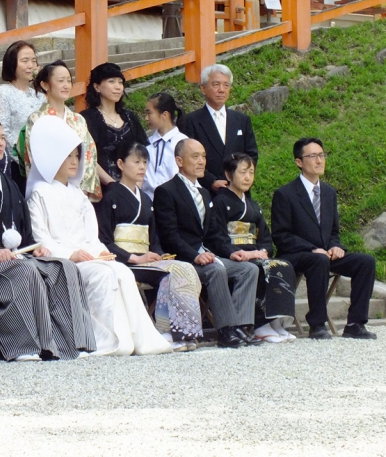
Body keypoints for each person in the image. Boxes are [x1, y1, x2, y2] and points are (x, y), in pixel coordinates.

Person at [0, 115, 96, 361]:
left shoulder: (9, 184)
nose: (0, 143)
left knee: (64, 267)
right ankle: (24, 345)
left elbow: (25, 230)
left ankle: (70, 343)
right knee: (25, 271)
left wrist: (34, 248)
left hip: (19, 256)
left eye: (2, 138)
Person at [26, 115, 171, 357]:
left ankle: (138, 339)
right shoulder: (39, 193)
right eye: (68, 156)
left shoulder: (79, 195)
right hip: (61, 261)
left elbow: (92, 237)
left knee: (121, 271)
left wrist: (98, 251)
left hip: (87, 256)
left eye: (76, 156)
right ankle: (106, 341)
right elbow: (41, 238)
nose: (74, 161)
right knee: (103, 275)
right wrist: (71, 254)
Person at [95, 142, 203, 351]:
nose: (142, 167)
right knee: (171, 273)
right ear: (120, 164)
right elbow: (104, 240)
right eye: (136, 162)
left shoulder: (145, 199)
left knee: (185, 267)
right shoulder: (110, 198)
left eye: (144, 162)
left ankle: (185, 332)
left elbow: (153, 239)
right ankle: (166, 331)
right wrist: (133, 258)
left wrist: (159, 255)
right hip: (126, 261)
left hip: (146, 259)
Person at [153, 139, 259, 348]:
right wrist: (194, 255)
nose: (202, 161)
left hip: (207, 253)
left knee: (248, 269)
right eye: (195, 157)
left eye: (203, 156)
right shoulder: (166, 191)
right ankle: (226, 330)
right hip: (184, 258)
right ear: (179, 160)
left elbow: (212, 235)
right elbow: (169, 235)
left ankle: (242, 326)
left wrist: (231, 252)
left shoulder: (204, 193)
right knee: (215, 271)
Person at [271, 138, 377, 340]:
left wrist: (336, 246)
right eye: (312, 156)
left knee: (365, 262)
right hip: (296, 254)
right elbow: (281, 236)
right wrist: (312, 249)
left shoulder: (328, 193)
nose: (319, 160)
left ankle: (355, 323)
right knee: (318, 260)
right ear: (299, 162)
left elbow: (334, 231)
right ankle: (317, 324)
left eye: (321, 155)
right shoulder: (285, 194)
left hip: (325, 253)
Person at [205, 153, 297, 343]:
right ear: (228, 175)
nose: (248, 177)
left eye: (251, 172)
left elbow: (264, 235)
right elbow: (216, 235)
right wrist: (234, 252)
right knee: (257, 268)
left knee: (282, 265)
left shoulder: (253, 205)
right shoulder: (220, 202)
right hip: (234, 255)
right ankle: (259, 323)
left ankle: (276, 320)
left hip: (253, 253)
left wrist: (263, 251)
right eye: (243, 172)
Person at [22, 61, 101, 200]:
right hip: (49, 192)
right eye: (60, 81)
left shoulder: (78, 120)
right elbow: (35, 158)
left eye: (69, 81)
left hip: (78, 192)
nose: (66, 85)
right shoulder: (36, 119)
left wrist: (82, 190)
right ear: (45, 85)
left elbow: (89, 154)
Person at [180, 64, 258, 193]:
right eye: (216, 85)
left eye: (226, 85)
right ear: (203, 88)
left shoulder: (241, 120)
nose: (221, 90)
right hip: (205, 191)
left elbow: (251, 154)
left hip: (238, 190)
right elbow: (187, 157)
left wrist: (242, 177)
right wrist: (211, 181)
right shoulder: (190, 121)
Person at [80, 63, 148, 185]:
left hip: (133, 186)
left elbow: (143, 152)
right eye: (111, 82)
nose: (118, 87)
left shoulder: (130, 118)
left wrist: (137, 184)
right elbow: (87, 156)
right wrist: (113, 186)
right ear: (97, 87)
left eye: (120, 82)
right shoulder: (87, 118)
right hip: (102, 188)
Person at [0, 41, 45, 191]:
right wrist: (24, 159)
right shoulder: (3, 92)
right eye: (25, 61)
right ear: (12, 63)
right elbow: (3, 130)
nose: (31, 65)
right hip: (16, 164)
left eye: (34, 61)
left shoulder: (40, 95)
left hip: (41, 163)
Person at [141, 92, 188, 200]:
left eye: (149, 113)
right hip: (149, 202)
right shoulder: (147, 143)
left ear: (165, 115)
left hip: (175, 202)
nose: (146, 118)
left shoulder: (183, 142)